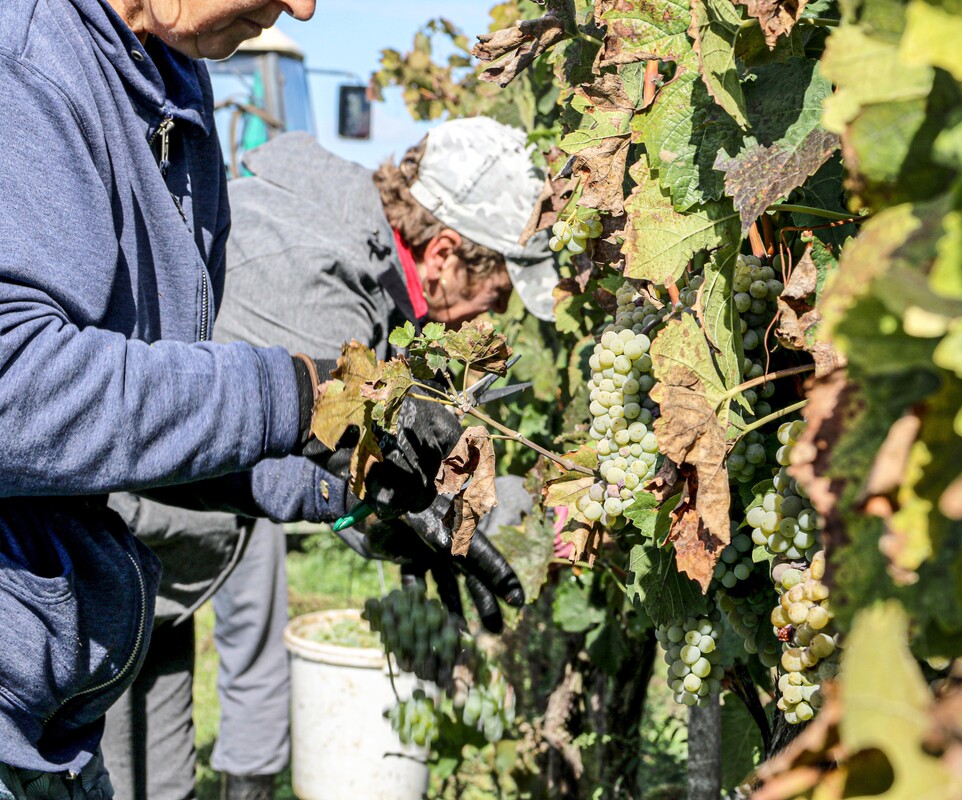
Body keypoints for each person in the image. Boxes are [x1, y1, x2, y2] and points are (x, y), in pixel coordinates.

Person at [0, 2, 469, 797]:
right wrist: (292, 389)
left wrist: (347, 494)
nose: (306, 7)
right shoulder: (27, 61)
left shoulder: (174, 88)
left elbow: (133, 434)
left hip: (49, 704)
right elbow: (17, 394)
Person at [100, 120, 556, 800]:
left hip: (157, 562)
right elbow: (223, 446)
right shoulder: (316, 295)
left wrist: (366, 504)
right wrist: (367, 500)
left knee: (159, 786)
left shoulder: (348, 240)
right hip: (98, 559)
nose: (489, 319)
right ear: (446, 253)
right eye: (497, 294)